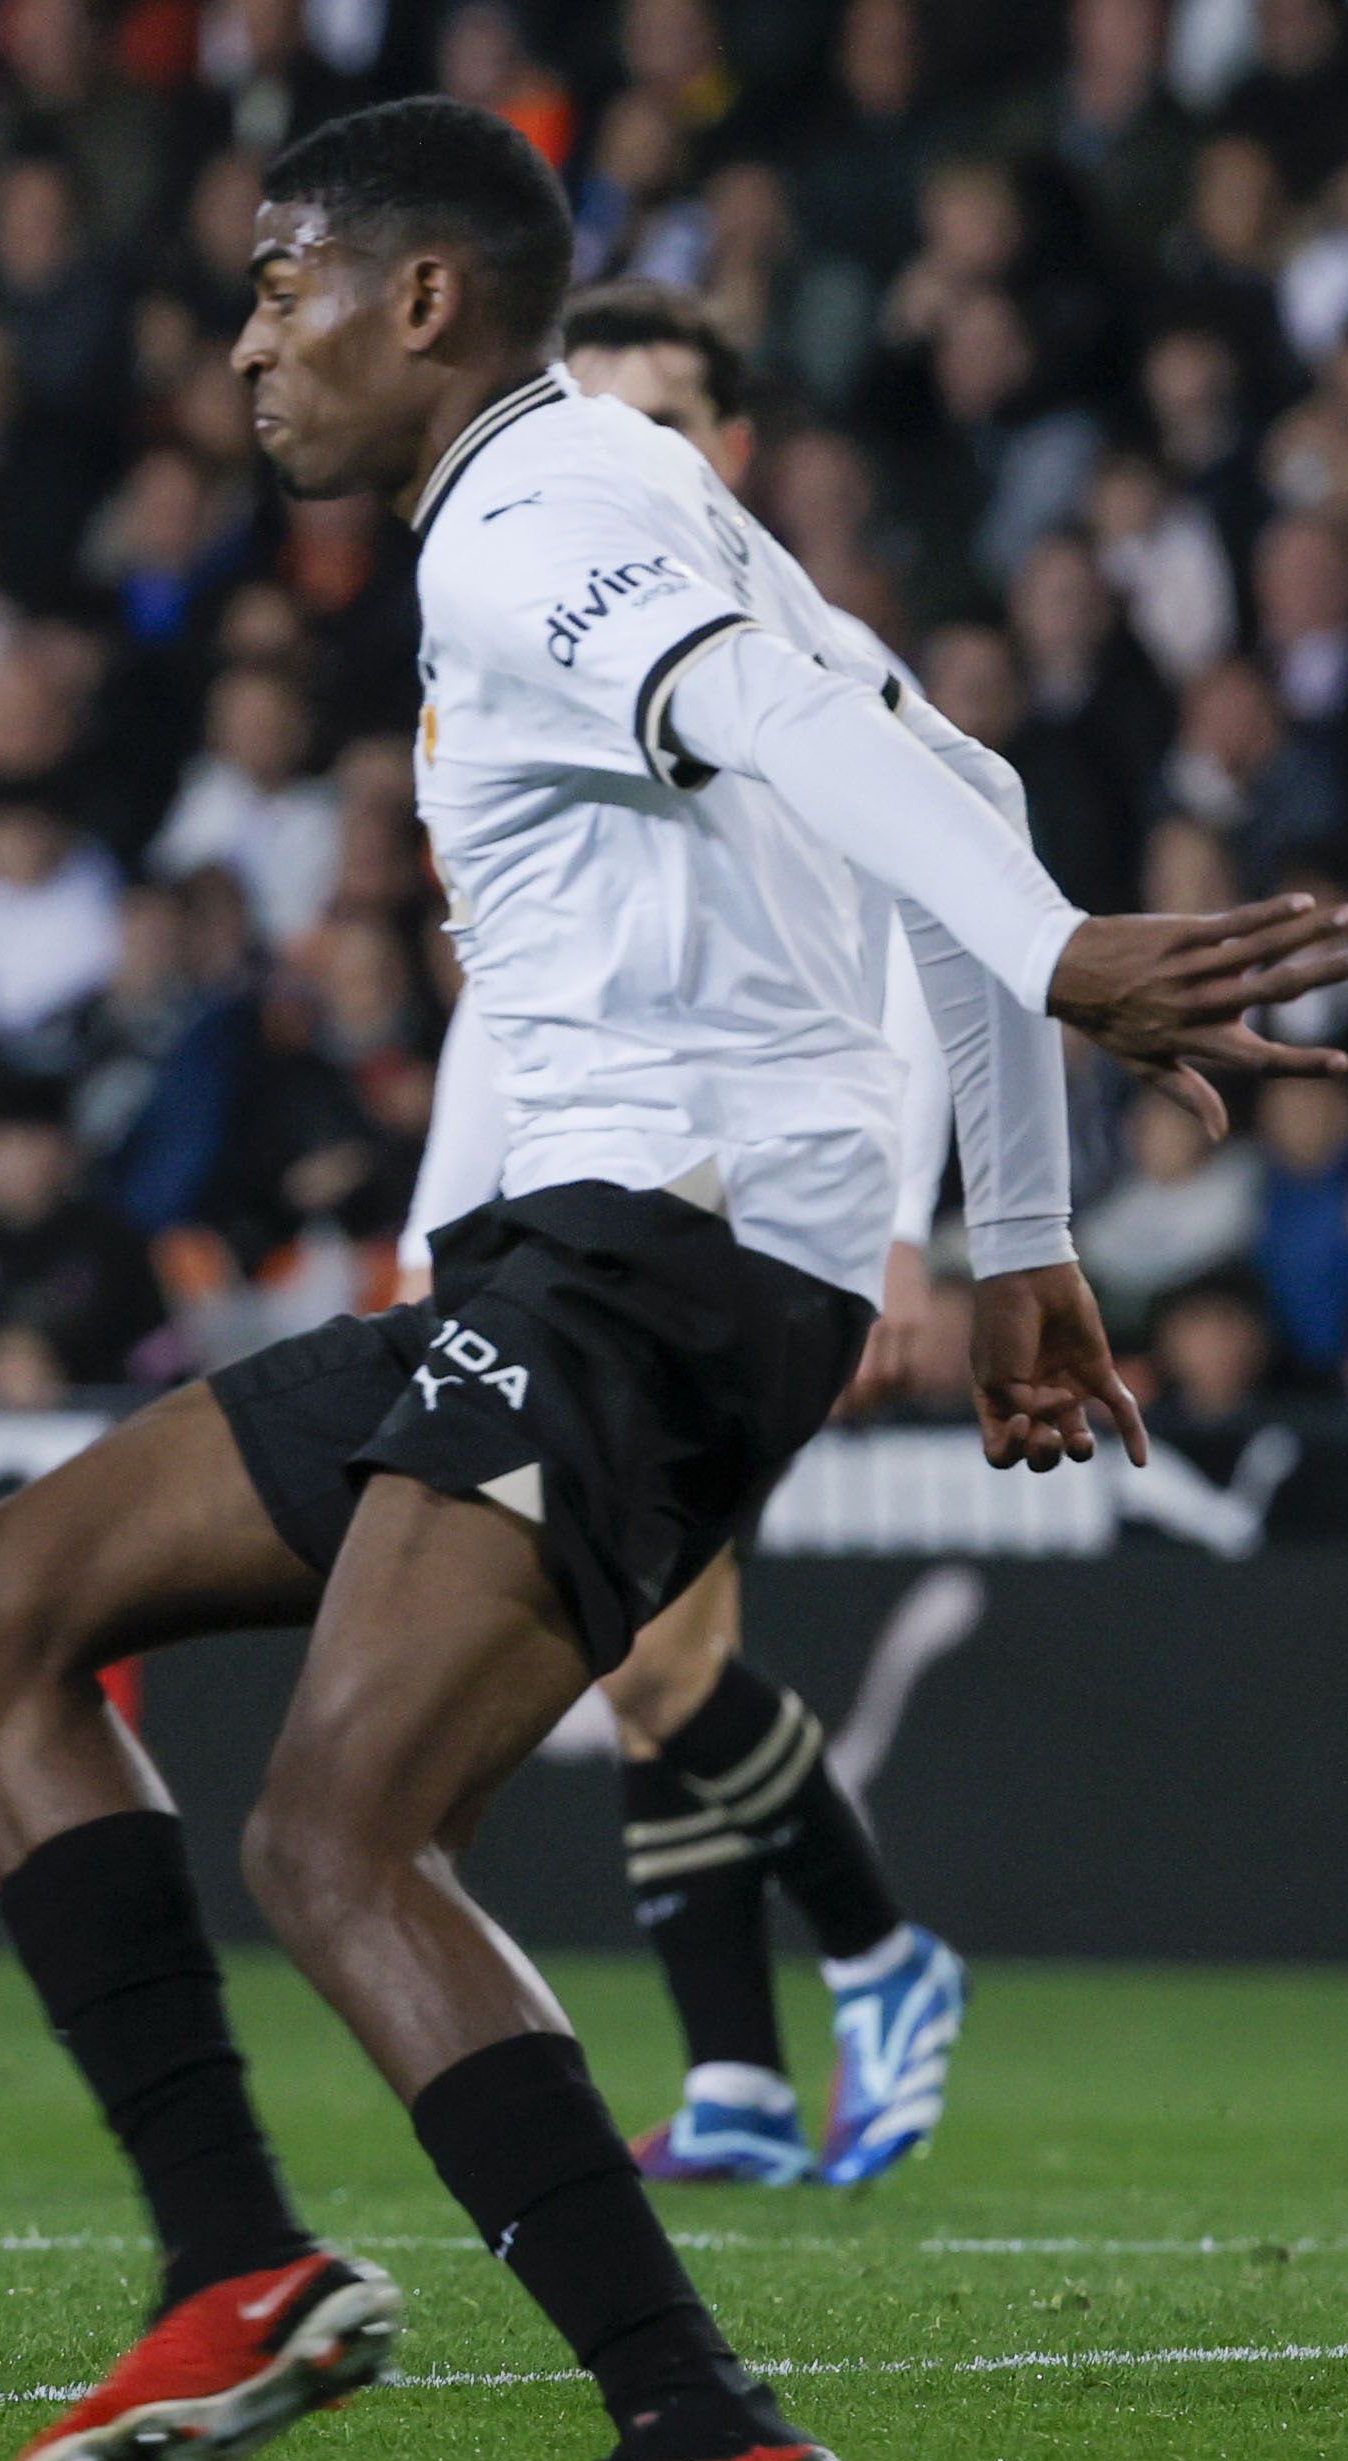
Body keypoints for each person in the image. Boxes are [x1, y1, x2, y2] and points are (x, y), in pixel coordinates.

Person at [0, 101, 1348, 2461]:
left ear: (425, 304)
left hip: (647, 1256)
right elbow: (959, 763)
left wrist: (1060, 965)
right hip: (615, 1258)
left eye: (283, 290)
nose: (248, 343)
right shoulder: (647, 487)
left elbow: (836, 762)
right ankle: (236, 2267)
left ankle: (698, 2420)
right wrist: (1014, 1239)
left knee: (339, 1835)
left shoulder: (537, 522)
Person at [404, 282, 979, 2190]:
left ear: (723, 444)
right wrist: (433, 1233)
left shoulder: (778, 660)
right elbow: (513, 978)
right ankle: (735, 2069)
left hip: (731, 1202)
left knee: (649, 1651)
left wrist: (901, 1229)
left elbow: (914, 916)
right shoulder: (531, 625)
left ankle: (885, 1956)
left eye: (661, 415)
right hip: (554, 1195)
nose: (616, 447)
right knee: (639, 1634)